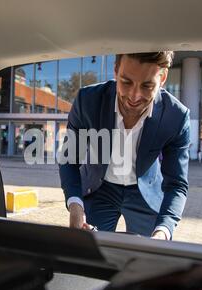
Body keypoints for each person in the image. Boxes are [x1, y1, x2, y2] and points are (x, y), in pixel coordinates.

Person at [59, 52, 190, 240]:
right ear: (115, 71)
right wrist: (75, 204)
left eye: (147, 85)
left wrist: (164, 230)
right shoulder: (87, 101)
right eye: (126, 82)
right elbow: (70, 160)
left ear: (162, 78)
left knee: (148, 258)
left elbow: (177, 184)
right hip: (98, 189)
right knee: (91, 253)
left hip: (145, 194)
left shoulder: (176, 117)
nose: (134, 96)